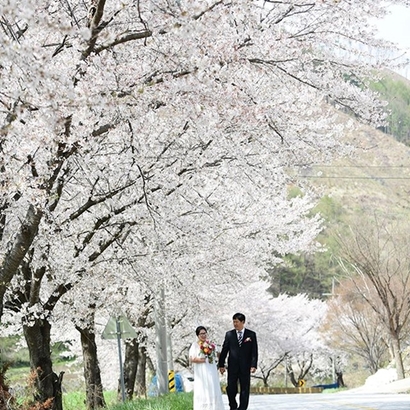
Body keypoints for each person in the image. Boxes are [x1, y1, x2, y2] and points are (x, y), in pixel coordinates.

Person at [218, 313, 258, 410]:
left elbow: (254, 351)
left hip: (245, 366)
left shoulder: (251, 334)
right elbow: (225, 350)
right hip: (232, 366)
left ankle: (242, 408)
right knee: (231, 388)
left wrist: (253, 365)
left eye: (237, 322)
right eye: (234, 321)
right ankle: (233, 405)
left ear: (243, 322)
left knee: (245, 388)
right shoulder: (229, 334)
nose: (235, 324)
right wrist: (221, 365)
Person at [189, 326, 225, 410]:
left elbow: (216, 355)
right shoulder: (194, 345)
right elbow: (191, 359)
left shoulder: (210, 344)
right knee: (203, 388)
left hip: (211, 369)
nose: (203, 335)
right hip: (201, 370)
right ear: (197, 335)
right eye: (201, 334)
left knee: (212, 386)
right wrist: (200, 360)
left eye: (204, 333)